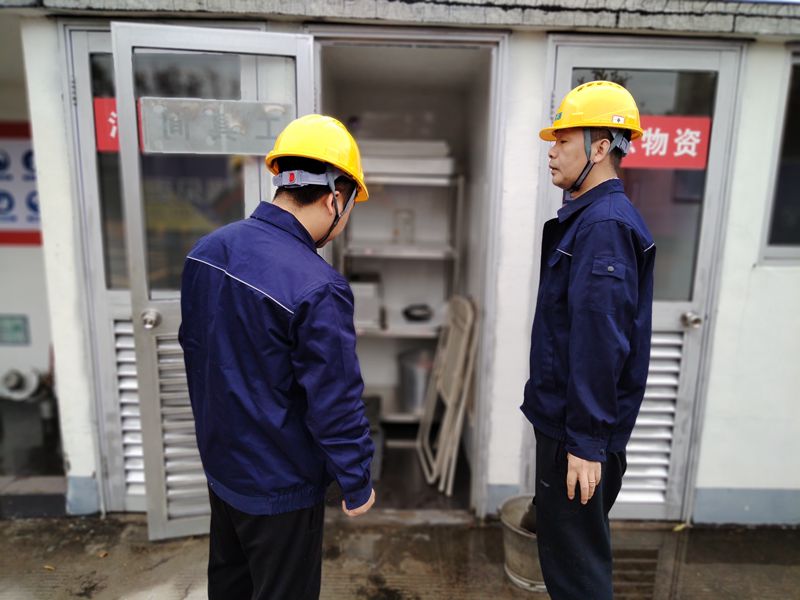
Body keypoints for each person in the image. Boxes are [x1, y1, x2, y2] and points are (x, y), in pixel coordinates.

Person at [179, 114, 376, 600]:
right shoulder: (318, 286)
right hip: (281, 487)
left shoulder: (207, 250)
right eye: (350, 206)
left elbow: (197, 352)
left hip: (223, 470)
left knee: (231, 585)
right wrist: (356, 479)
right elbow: (334, 399)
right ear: (334, 198)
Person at [520, 81, 656, 599]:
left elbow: (601, 341)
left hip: (575, 436)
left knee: (578, 579)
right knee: (570, 565)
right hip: (571, 427)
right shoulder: (592, 219)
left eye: (562, 140)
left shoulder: (603, 226)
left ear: (600, 148)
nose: (551, 151)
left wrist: (585, 443)